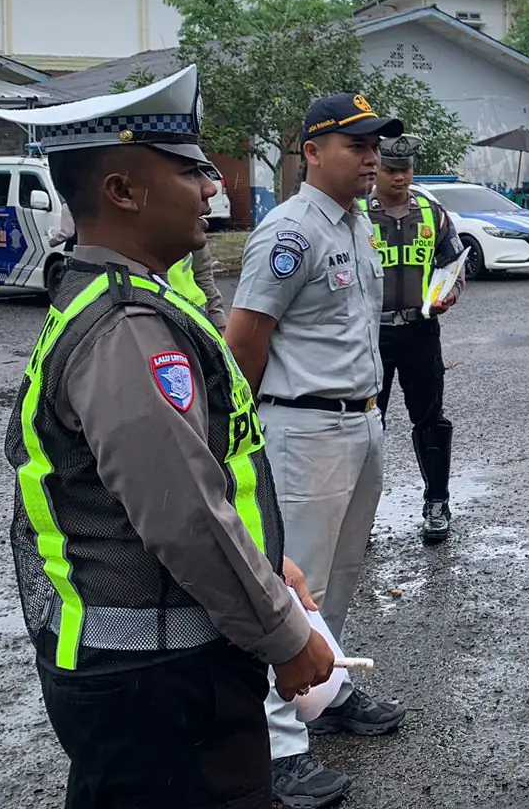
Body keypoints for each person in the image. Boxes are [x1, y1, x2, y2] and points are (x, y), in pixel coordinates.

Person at [0, 64, 335, 808]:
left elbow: (203, 479)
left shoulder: (128, 298)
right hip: (156, 680)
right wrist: (285, 636)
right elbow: (183, 516)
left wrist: (268, 565)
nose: (212, 187)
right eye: (189, 171)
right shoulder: (125, 328)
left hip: (153, 670)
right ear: (123, 191)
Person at [225, 92, 408, 809]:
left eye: (375, 147)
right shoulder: (290, 232)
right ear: (311, 151)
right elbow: (245, 341)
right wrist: (239, 443)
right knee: (290, 587)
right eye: (357, 146)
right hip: (302, 429)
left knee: (342, 575)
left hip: (359, 421)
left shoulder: (355, 225)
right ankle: (276, 747)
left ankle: (323, 693)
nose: (372, 159)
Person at [359, 133, 464, 543]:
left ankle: (437, 502)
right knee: (367, 424)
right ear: (377, 169)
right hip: (372, 335)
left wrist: (450, 293)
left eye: (406, 169)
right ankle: (360, 514)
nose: (400, 177)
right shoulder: (357, 214)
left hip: (421, 332)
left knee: (431, 420)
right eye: (391, 169)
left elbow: (453, 263)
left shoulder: (432, 213)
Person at [52, 200, 227, 329]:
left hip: (194, 314)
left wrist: (218, 320)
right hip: (151, 318)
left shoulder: (187, 226)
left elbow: (204, 274)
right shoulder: (123, 228)